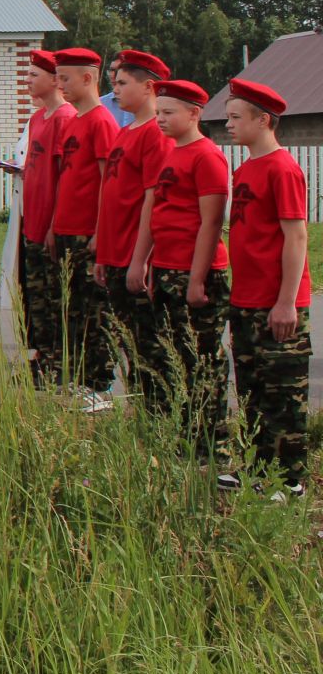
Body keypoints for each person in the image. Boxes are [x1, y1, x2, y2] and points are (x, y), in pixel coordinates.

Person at [220, 77, 311, 497]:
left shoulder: (282, 168)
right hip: (246, 299)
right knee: (253, 391)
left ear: (264, 120)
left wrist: (286, 302)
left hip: (276, 301)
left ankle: (289, 481)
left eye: (237, 117)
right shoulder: (246, 168)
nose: (229, 124)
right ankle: (258, 468)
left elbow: (296, 237)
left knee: (283, 397)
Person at [128, 79, 230, 447]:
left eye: (168, 113)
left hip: (196, 271)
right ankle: (184, 435)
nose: (160, 120)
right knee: (175, 358)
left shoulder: (207, 155)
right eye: (158, 113)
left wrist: (197, 279)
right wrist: (146, 263)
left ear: (194, 113)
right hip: (167, 270)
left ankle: (211, 442)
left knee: (202, 360)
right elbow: (157, 213)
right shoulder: (172, 152)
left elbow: (211, 222)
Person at [94, 50, 170, 385]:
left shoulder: (155, 133)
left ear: (149, 87)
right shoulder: (126, 131)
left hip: (132, 255)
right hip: (115, 254)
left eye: (123, 82)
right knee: (129, 346)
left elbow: (153, 200)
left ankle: (155, 418)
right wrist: (103, 254)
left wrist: (140, 259)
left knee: (148, 349)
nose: (116, 89)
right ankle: (141, 414)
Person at [50, 47, 118, 412]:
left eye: (65, 78)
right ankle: (79, 380)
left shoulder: (101, 122)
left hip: (87, 232)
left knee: (94, 310)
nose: (61, 85)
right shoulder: (75, 120)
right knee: (73, 307)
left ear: (88, 78)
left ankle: (100, 384)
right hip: (66, 228)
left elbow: (108, 181)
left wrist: (99, 232)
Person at [6, 50, 74, 387]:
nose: (28, 81)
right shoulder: (37, 118)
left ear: (54, 79)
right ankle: (40, 360)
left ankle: (57, 366)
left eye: (34, 75)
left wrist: (53, 225)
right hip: (29, 219)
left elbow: (64, 175)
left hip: (49, 223)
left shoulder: (64, 117)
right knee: (35, 298)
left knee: (53, 297)